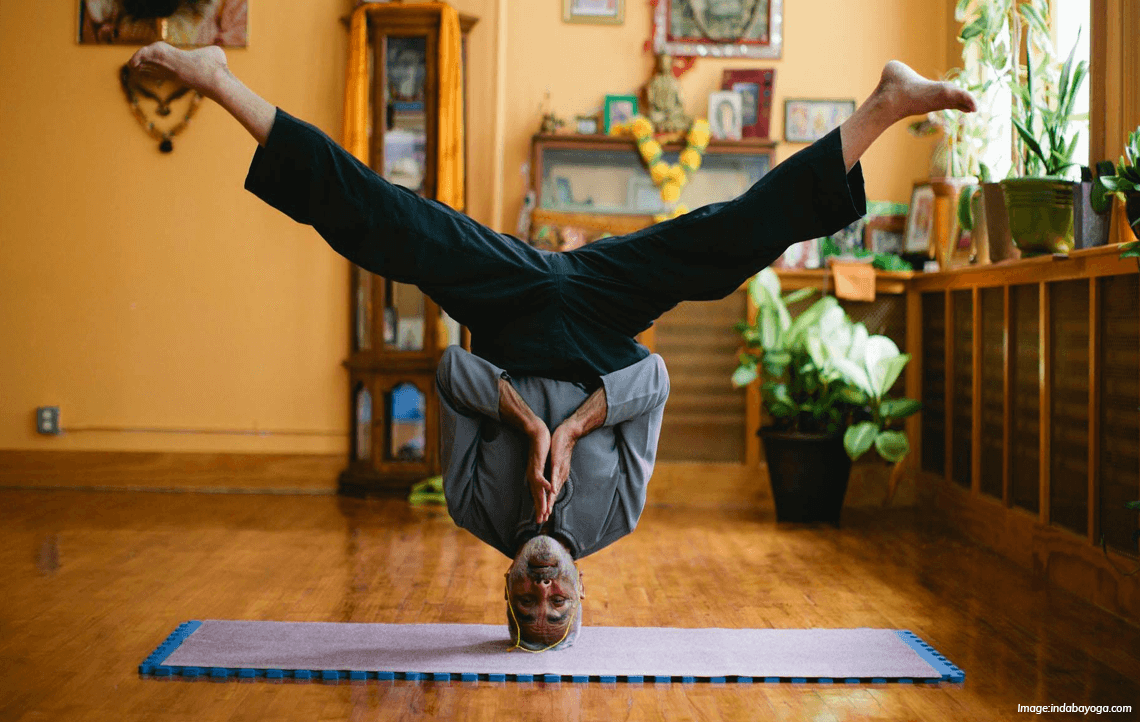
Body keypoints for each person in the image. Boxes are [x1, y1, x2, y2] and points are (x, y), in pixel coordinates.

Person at [127, 41, 975, 652]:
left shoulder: (474, 511)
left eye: (525, 604)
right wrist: (570, 432)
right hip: (605, 314)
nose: (541, 592)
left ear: (506, 588)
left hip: (507, 302)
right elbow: (652, 376)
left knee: (387, 225)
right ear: (578, 595)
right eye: (555, 606)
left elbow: (453, 369)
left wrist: (532, 428)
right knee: (725, 245)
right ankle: (884, 106)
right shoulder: (616, 516)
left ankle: (221, 82)